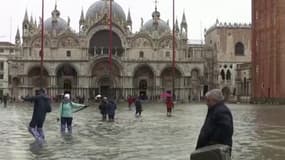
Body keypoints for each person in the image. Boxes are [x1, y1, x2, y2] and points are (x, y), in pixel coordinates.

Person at [195, 89, 233, 154]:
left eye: (208, 100)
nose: (206, 103)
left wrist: (211, 143)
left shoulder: (221, 111)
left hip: (213, 152)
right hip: (209, 151)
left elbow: (226, 131)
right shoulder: (214, 110)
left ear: (215, 100)